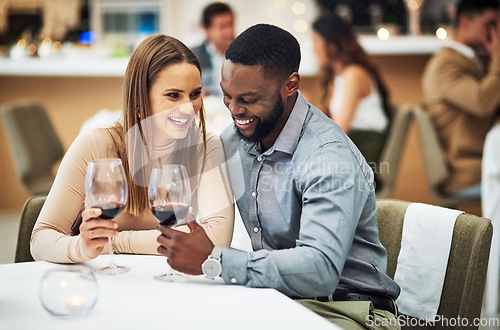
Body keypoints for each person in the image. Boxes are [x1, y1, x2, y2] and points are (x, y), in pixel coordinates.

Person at [156, 24, 400, 329]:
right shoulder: (235, 141)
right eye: (227, 95)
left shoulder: (327, 157)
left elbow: (320, 270)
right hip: (280, 301)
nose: (234, 110)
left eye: (248, 98)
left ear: (290, 85)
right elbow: (180, 199)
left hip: (348, 311)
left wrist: (218, 259)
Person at [30, 34, 234, 263]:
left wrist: (113, 242)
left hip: (172, 285)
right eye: (173, 95)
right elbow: (40, 240)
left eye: (194, 94)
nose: (188, 108)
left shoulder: (205, 147)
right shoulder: (96, 145)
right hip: (106, 284)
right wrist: (82, 247)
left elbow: (215, 240)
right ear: (139, 96)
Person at [421, 0, 500, 196]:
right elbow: (482, 103)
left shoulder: (471, 59)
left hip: (485, 161)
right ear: (465, 22)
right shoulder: (445, 64)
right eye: (490, 24)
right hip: (468, 170)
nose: (496, 31)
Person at [312, 13, 392, 169]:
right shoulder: (337, 78)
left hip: (364, 150)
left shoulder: (354, 74)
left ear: (331, 45)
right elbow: (324, 121)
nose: (313, 48)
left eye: (316, 41)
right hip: (350, 147)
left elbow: (341, 128)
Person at [191, 2, 235, 96]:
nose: (229, 31)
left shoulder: (243, 56)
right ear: (207, 30)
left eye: (231, 24)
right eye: (223, 27)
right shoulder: (192, 57)